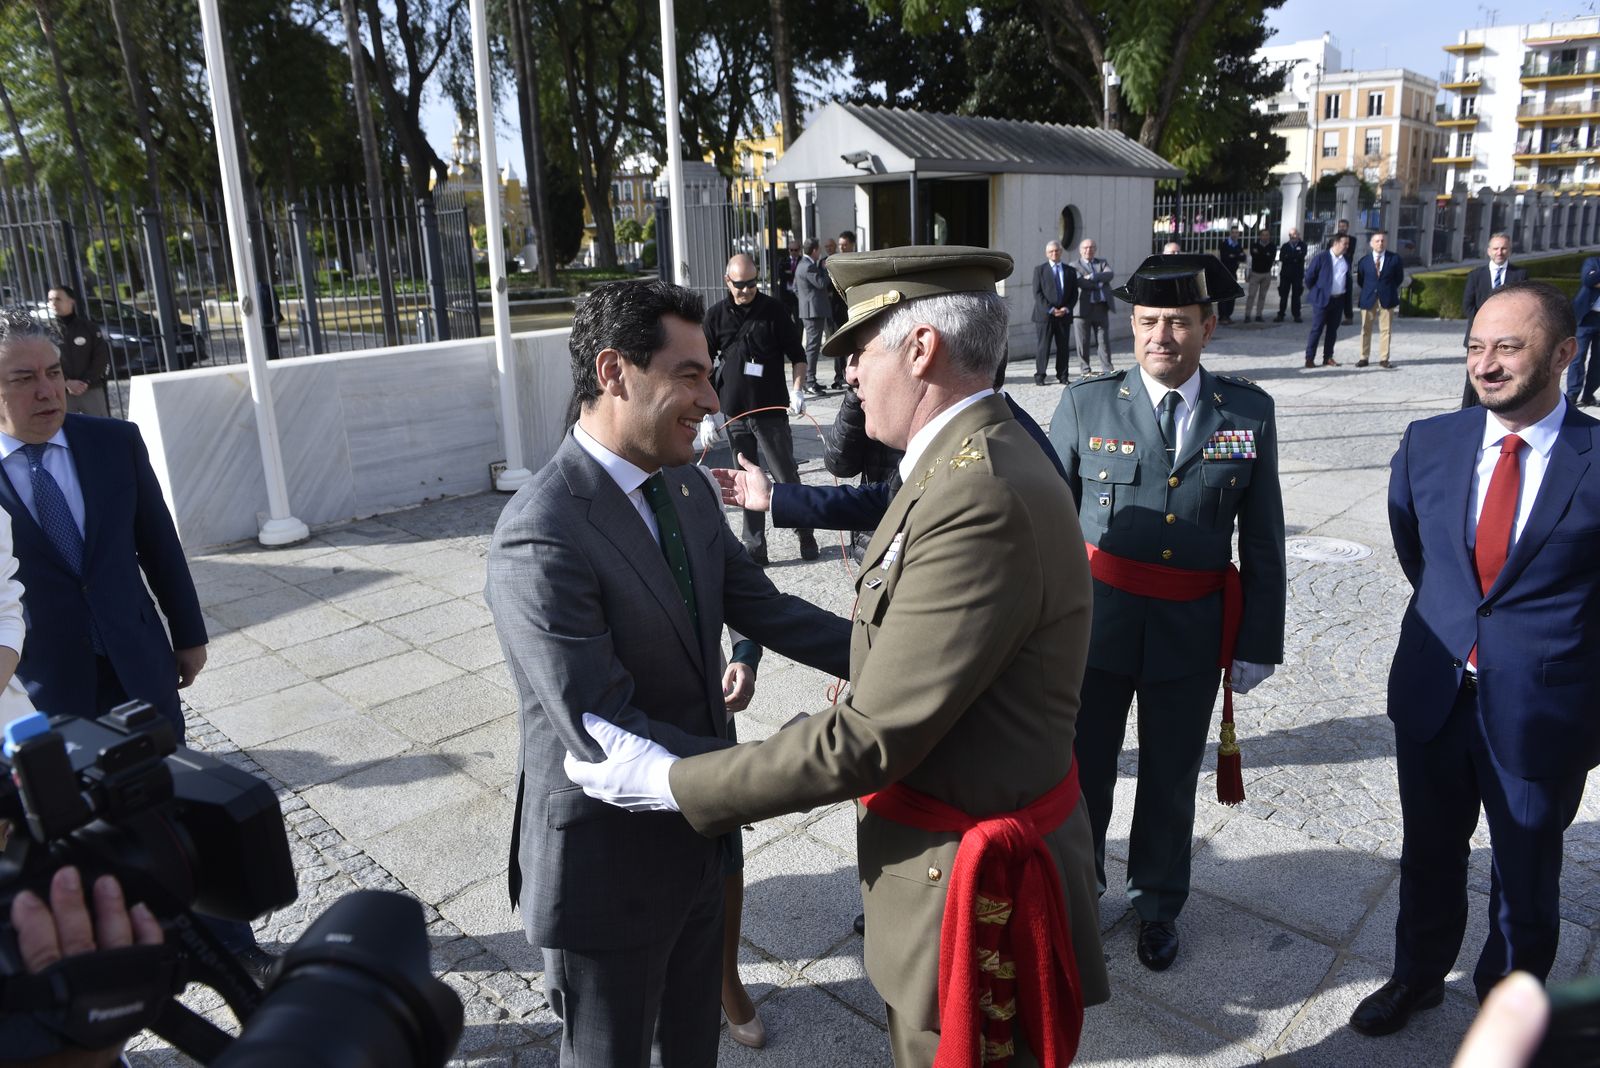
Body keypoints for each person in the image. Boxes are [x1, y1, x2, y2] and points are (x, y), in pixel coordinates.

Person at [567, 245, 1111, 1065]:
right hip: (942, 861)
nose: (850, 375)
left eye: (860, 352)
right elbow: (897, 644)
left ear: (921, 350)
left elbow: (869, 740)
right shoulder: (960, 466)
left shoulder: (980, 494)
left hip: (969, 892)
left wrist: (667, 781)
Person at [485, 279, 850, 1067]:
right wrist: (778, 771)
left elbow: (764, 607)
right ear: (614, 372)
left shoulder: (681, 481)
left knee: (693, 1049)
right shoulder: (541, 533)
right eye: (690, 374)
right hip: (609, 871)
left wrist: (905, 660)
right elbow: (601, 728)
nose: (713, 398)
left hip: (698, 849)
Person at [1350, 280, 1600, 1037]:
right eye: (1475, 347)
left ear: (1564, 352)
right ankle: (1417, 978)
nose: (1486, 364)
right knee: (1428, 853)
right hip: (1436, 693)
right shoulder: (1432, 441)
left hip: (1542, 708)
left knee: (1526, 876)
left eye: (1509, 347)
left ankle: (1507, 1011)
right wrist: (1461, 624)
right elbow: (1415, 547)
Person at [0, 309, 272, 980]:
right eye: (24, 379)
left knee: (176, 803)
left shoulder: (111, 442)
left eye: (56, 374)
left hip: (137, 660)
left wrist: (189, 633)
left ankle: (233, 950)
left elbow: (158, 544)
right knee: (78, 830)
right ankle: (133, 961)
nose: (48, 392)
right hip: (42, 687)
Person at [1047, 254, 1287, 972]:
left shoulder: (1246, 412)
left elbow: (1264, 537)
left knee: (1170, 775)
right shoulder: (1086, 405)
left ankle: (1157, 904)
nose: (1161, 336)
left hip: (1191, 631)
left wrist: (1257, 641)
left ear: (1208, 326)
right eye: (1148, 321)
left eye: (1178, 322)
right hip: (1096, 628)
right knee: (1082, 771)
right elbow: (1045, 523)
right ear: (1131, 323)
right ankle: (1076, 893)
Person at [702, 253, 817, 564]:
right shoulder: (715, 317)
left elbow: (798, 355)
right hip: (734, 413)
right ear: (728, 282)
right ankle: (754, 548)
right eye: (740, 285)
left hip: (770, 412)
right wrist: (706, 416)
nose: (746, 290)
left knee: (786, 476)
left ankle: (805, 534)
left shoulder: (775, 311)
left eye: (752, 284)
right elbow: (702, 367)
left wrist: (797, 391)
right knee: (745, 481)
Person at [1461, 234, 1526, 408]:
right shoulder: (1476, 275)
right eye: (1496, 248)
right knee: (1475, 375)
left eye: (1504, 248)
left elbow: (1523, 306)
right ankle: (1469, 411)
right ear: (1489, 251)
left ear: (1509, 251)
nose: (1500, 252)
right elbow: (1468, 305)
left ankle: (1499, 407)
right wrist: (1485, 328)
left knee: (1502, 375)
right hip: (1478, 338)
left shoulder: (1520, 275)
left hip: (1508, 338)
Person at [47, 286, 111, 418]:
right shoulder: (45, 332)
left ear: (71, 301)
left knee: (101, 429)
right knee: (68, 432)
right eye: (50, 299)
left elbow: (100, 357)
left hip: (91, 389)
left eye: (58, 299)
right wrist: (66, 382)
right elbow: (43, 362)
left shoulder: (89, 328)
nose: (53, 303)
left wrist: (86, 381)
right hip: (61, 392)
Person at [1355, 230, 1404, 368]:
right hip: (1368, 297)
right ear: (1371, 244)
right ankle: (1363, 357)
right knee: (1365, 329)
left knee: (1386, 329)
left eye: (1383, 241)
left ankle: (1384, 358)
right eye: (1377, 241)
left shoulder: (1394, 259)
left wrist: (1387, 288)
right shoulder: (1364, 261)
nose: (1380, 243)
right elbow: (1361, 280)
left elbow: (1398, 278)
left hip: (1387, 298)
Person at [1033, 239, 1078, 384]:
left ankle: (1063, 376)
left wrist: (1065, 308)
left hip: (1064, 316)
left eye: (1057, 250)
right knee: (1043, 348)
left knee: (1063, 348)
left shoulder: (1070, 271)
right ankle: (1040, 376)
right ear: (1047, 254)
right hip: (1045, 316)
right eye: (1051, 251)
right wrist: (1051, 309)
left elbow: (1074, 293)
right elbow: (1037, 293)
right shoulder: (1039, 270)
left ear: (1061, 252)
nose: (1054, 253)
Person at [1303, 234, 1351, 368]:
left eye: (1348, 244)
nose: (1347, 246)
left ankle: (1328, 357)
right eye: (1344, 243)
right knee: (1317, 329)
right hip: (1322, 299)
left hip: (1338, 299)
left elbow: (1347, 281)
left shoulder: (1345, 259)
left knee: (1332, 330)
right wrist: (1317, 291)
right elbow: (1309, 278)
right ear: (1335, 243)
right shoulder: (1321, 257)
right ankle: (1310, 358)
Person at [795, 238, 831, 397]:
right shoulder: (809, 266)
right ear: (815, 250)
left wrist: (805, 300)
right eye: (819, 250)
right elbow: (822, 283)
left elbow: (796, 288)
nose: (820, 253)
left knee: (812, 346)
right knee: (813, 347)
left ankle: (809, 380)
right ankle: (809, 381)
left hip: (809, 310)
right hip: (813, 312)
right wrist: (825, 269)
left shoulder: (801, 264)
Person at [1073, 238, 1115, 375]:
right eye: (1085, 248)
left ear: (1095, 249)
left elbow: (1109, 274)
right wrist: (1099, 282)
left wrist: (1092, 276)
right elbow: (1080, 282)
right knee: (1082, 342)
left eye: (1091, 247)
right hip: (1082, 309)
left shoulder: (1102, 262)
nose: (1088, 250)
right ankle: (1085, 369)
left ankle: (1107, 368)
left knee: (1103, 340)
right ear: (1080, 250)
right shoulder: (1074, 265)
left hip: (1101, 308)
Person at [1566, 253, 1600, 407]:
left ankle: (1588, 395)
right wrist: (1594, 280)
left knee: (1598, 361)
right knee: (1577, 357)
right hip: (1586, 318)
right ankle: (1572, 394)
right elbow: (1588, 280)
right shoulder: (1592, 261)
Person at [825, 231, 857, 389]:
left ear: (852, 245)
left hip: (854, 306)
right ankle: (839, 376)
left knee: (854, 343)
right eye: (840, 245)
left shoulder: (858, 260)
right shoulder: (834, 262)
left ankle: (854, 373)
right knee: (839, 342)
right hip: (837, 310)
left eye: (845, 245)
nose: (842, 248)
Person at [1275, 229, 1307, 323]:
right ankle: (1281, 314)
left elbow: (1302, 256)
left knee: (1296, 296)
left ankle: (1297, 315)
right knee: (1283, 295)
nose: (1293, 236)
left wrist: (1289, 257)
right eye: (1291, 234)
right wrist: (1294, 257)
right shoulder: (1285, 246)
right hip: (1285, 275)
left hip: (1297, 274)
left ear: (1298, 235)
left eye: (1295, 234)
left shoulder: (1302, 245)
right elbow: (1282, 258)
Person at [1244, 228, 1275, 323]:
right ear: (1260, 236)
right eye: (1263, 235)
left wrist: (1261, 255)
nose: (1265, 237)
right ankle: (1247, 315)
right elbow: (1252, 258)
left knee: (1262, 296)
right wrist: (1265, 255)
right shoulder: (1254, 245)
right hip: (1255, 273)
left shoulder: (1272, 246)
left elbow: (1271, 258)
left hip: (1266, 273)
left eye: (1267, 235)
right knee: (1251, 295)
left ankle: (1259, 314)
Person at [1217, 228, 1245, 324]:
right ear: (1230, 233)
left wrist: (1234, 255)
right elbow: (1225, 257)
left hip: (1233, 273)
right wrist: (1237, 255)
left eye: (1236, 233)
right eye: (1233, 232)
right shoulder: (1224, 244)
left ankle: (1228, 315)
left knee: (1232, 295)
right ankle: (1222, 316)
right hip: (1224, 273)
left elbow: (1243, 257)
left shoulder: (1238, 244)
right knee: (1223, 296)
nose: (1235, 234)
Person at [1334, 218, 1357, 324]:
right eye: (1340, 226)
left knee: (1347, 294)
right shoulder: (1333, 239)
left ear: (1347, 227)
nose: (1342, 228)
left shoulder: (1352, 240)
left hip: (1346, 269)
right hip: (1334, 269)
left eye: (1344, 226)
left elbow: (1348, 252)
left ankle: (1349, 317)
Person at [777, 238, 800, 322]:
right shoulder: (783, 261)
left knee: (798, 321)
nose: (793, 252)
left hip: (797, 296)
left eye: (796, 250)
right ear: (788, 250)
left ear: (799, 250)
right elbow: (780, 275)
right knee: (785, 320)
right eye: (791, 250)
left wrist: (789, 273)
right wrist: (793, 275)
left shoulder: (802, 261)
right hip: (785, 296)